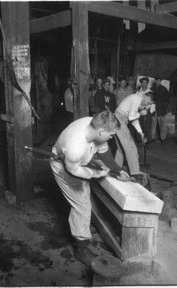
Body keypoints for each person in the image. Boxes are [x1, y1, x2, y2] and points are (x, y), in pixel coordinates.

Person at [49, 111, 130, 267]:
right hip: (64, 167)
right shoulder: (75, 146)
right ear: (102, 131)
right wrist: (98, 173)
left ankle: (84, 228)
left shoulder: (94, 124)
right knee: (82, 206)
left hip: (79, 161)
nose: (112, 137)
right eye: (111, 134)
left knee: (86, 198)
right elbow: (75, 170)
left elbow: (103, 150)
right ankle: (81, 248)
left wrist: (116, 170)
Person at [114, 91, 154, 178]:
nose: (145, 106)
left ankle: (115, 170)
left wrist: (141, 132)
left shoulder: (137, 98)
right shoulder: (136, 98)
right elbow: (132, 117)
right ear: (147, 98)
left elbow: (133, 120)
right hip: (119, 121)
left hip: (118, 120)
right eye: (148, 103)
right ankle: (135, 173)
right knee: (131, 147)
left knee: (121, 149)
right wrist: (141, 113)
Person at [152, 78, 170, 144]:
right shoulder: (152, 89)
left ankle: (163, 139)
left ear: (160, 81)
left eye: (159, 80)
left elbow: (167, 99)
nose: (158, 81)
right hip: (153, 110)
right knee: (153, 125)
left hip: (161, 110)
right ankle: (152, 138)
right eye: (157, 80)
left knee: (162, 125)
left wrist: (164, 106)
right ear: (155, 81)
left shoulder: (164, 89)